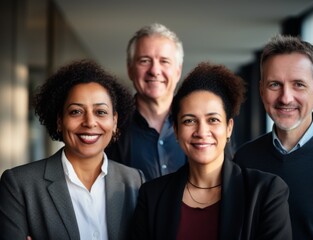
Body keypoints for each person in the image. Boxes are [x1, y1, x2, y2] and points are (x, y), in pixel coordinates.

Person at [131, 62, 292, 240]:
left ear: (229, 127)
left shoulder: (265, 192)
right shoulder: (152, 196)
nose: (201, 132)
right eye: (189, 121)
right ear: (176, 130)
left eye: (213, 120)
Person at [0, 59, 145, 240]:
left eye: (100, 112)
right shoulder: (19, 184)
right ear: (60, 121)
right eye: (76, 111)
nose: (90, 122)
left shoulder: (135, 182)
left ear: (114, 121)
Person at [234, 35, 313, 240]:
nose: (285, 98)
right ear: (261, 91)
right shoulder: (244, 159)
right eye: (274, 84)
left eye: (298, 84)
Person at [105, 23, 187, 181]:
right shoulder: (111, 127)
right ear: (130, 69)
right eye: (144, 61)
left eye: (164, 61)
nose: (155, 70)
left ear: (178, 71)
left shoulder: (202, 126)